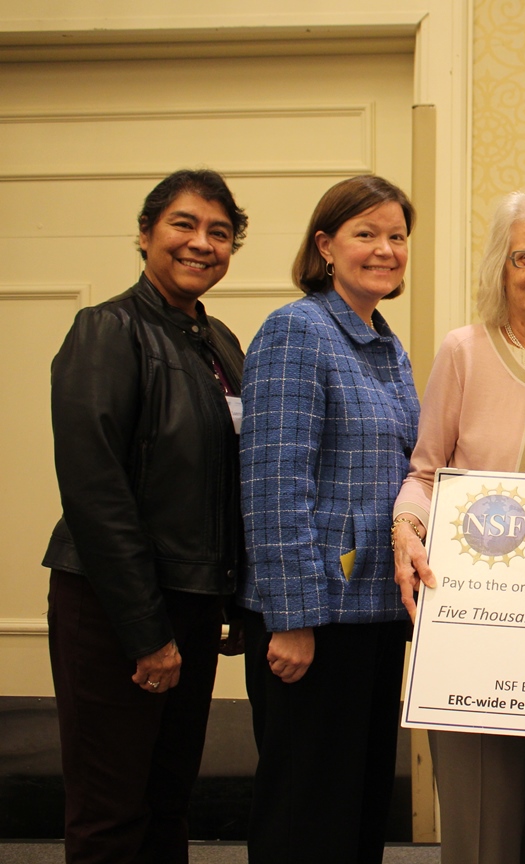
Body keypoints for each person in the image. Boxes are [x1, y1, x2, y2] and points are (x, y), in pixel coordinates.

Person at [43, 168, 248, 862]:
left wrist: (234, 599)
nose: (201, 243)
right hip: (115, 606)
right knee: (110, 808)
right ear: (145, 234)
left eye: (219, 232)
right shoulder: (106, 330)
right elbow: (96, 491)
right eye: (183, 225)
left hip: (189, 603)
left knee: (168, 799)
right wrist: (144, 633)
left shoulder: (218, 340)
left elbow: (228, 481)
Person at [392, 190, 525, 863]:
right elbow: (425, 472)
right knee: (483, 817)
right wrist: (407, 529)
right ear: (500, 270)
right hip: (476, 619)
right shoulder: (465, 351)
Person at [238, 175, 420, 864]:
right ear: (325, 245)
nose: (385, 249)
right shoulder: (298, 330)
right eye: (366, 234)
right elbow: (273, 483)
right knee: (306, 814)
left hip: (373, 613)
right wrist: (291, 618)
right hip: (313, 619)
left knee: (358, 805)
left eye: (397, 236)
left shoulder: (385, 343)